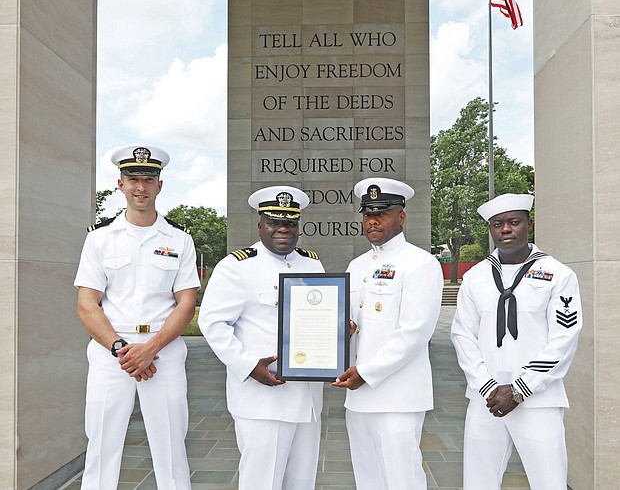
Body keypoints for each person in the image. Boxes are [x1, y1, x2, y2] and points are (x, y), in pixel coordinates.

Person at [74, 144, 200, 489]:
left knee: (172, 448)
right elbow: (87, 304)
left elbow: (186, 303)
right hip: (110, 353)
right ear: (120, 184)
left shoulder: (180, 239)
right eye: (133, 179)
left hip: (164, 351)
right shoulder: (100, 239)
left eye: (148, 179)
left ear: (160, 185)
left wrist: (150, 348)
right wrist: (122, 349)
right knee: (101, 447)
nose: (140, 187)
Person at [451, 193, 582, 490]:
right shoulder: (475, 277)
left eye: (513, 222)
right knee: (478, 483)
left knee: (549, 482)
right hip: (486, 400)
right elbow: (462, 335)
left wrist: (521, 389)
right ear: (490, 229)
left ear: (528, 224)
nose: (505, 229)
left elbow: (564, 339)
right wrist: (486, 385)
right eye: (498, 224)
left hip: (539, 401)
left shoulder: (558, 275)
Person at [198, 186, 325, 490]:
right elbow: (213, 323)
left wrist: (337, 330)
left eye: (290, 223)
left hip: (307, 398)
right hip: (262, 400)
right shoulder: (238, 266)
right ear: (260, 225)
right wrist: (248, 366)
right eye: (274, 222)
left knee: (302, 482)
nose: (283, 229)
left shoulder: (312, 264)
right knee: (262, 483)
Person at [331, 177, 444, 490]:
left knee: (401, 479)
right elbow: (351, 322)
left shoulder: (420, 263)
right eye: (368, 213)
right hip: (359, 395)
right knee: (367, 479)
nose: (373, 220)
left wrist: (366, 371)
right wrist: (340, 332)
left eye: (382, 212)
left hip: (399, 396)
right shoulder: (357, 265)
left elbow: (415, 332)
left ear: (402, 217)